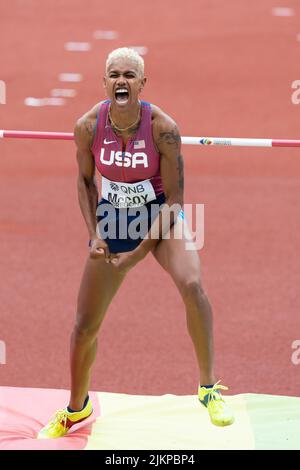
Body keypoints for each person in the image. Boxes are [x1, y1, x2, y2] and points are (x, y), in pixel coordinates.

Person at [37, 47, 234, 439]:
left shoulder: (163, 128)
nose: (121, 80)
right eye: (114, 74)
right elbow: (84, 181)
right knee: (84, 325)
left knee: (193, 285)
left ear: (143, 83)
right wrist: (94, 234)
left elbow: (175, 200)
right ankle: (77, 408)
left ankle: (209, 388)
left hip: (160, 216)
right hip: (112, 219)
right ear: (105, 81)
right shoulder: (88, 126)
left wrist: (138, 254)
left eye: (130, 74)